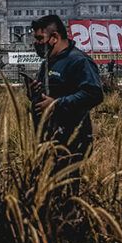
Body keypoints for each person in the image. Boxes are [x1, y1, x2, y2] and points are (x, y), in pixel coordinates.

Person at [26, 15, 104, 181]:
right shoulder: (47, 62)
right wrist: (34, 92)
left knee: (66, 187)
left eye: (40, 38)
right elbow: (47, 94)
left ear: (54, 37)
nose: (37, 43)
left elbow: (94, 93)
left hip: (71, 140)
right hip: (47, 138)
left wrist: (56, 104)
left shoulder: (79, 61)